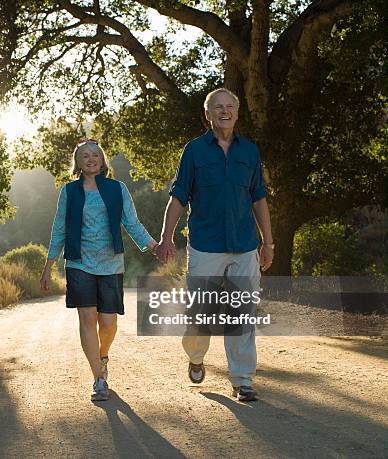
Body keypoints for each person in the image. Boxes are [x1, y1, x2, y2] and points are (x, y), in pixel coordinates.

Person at [155, 88, 274, 402]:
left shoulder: (249, 151)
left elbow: (259, 197)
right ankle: (195, 356)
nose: (225, 111)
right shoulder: (194, 151)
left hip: (245, 244)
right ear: (207, 114)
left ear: (237, 112)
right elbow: (179, 196)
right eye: (218, 107)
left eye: (230, 107)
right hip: (206, 245)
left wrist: (268, 242)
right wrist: (167, 237)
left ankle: (242, 379)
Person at [40, 139, 157, 402]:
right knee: (86, 319)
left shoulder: (117, 188)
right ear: (78, 163)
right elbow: (59, 229)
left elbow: (132, 223)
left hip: (111, 263)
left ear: (102, 160)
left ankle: (103, 355)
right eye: (84, 156)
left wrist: (154, 246)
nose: (90, 159)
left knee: (107, 321)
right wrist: (48, 265)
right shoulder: (69, 192)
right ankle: (98, 379)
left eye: (95, 155)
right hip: (79, 262)